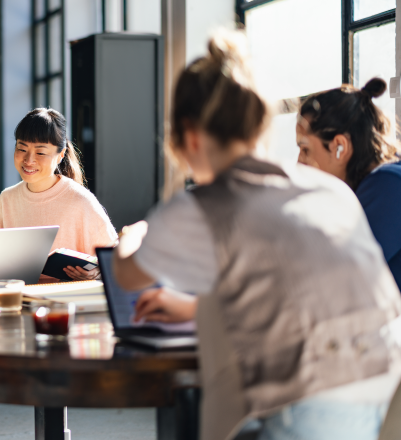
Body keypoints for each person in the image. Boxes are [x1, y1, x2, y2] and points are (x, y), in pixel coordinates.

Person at [112, 31, 401, 440]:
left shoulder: (205, 204)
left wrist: (135, 233)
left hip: (315, 404)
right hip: (386, 393)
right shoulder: (328, 189)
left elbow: (127, 275)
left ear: (188, 137)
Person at [0, 108, 118, 281]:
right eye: (22, 148)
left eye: (40, 152)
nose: (29, 160)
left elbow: (114, 257)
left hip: (65, 301)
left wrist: (97, 272)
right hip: (18, 299)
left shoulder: (80, 201)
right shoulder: (7, 199)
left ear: (60, 155)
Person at [296, 78, 401, 289]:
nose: (298, 162)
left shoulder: (388, 185)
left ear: (339, 147)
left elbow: (332, 281)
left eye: (305, 149)